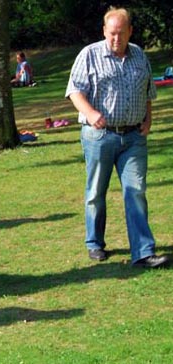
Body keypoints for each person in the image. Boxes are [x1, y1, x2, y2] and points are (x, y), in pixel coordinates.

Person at [65, 7, 168, 268]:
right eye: (112, 33)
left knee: (135, 192)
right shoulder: (89, 54)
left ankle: (143, 252)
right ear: (104, 31)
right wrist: (89, 113)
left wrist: (148, 118)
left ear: (130, 31)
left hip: (133, 137)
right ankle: (94, 243)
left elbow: (147, 91)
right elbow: (75, 91)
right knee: (96, 192)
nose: (116, 39)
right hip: (100, 136)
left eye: (121, 33)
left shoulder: (139, 55)